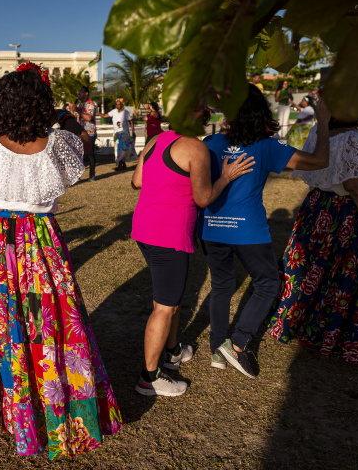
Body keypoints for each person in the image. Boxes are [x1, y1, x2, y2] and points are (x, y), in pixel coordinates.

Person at [0, 64, 121, 460]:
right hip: (38, 243)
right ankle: (52, 413)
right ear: (40, 105)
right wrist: (65, 117)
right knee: (46, 324)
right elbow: (82, 147)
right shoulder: (59, 144)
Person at [200, 86, 331, 378]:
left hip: (211, 227)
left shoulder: (209, 142)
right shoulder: (267, 145)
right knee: (268, 284)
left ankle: (217, 349)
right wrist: (322, 121)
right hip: (248, 231)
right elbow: (321, 160)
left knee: (222, 285)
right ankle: (235, 346)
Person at [131, 103, 254, 397]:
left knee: (168, 297)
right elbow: (203, 198)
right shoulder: (194, 148)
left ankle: (172, 352)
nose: (210, 117)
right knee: (166, 306)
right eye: (207, 112)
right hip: (168, 233)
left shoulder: (156, 140)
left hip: (144, 229)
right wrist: (226, 176)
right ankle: (149, 378)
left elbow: (137, 181)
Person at [268, 115, 358, 364]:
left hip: (318, 206)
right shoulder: (355, 138)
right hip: (347, 212)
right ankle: (333, 333)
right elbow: (354, 185)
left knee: (313, 269)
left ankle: (299, 323)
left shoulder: (320, 131)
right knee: (346, 274)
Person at [99, 99, 136, 170]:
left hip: (124, 133)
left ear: (122, 105)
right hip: (116, 133)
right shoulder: (114, 111)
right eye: (116, 104)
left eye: (118, 104)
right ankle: (123, 165)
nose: (117, 105)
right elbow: (104, 115)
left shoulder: (125, 112)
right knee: (118, 149)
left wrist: (133, 132)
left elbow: (130, 122)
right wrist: (97, 113)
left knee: (121, 149)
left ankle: (120, 165)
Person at [76, 87, 98, 181]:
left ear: (86, 93)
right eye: (78, 91)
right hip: (80, 132)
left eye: (80, 91)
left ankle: (92, 175)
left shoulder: (91, 104)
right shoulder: (79, 105)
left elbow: (88, 118)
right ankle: (78, 175)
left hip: (89, 132)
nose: (79, 93)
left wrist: (77, 111)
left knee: (90, 153)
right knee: (78, 153)